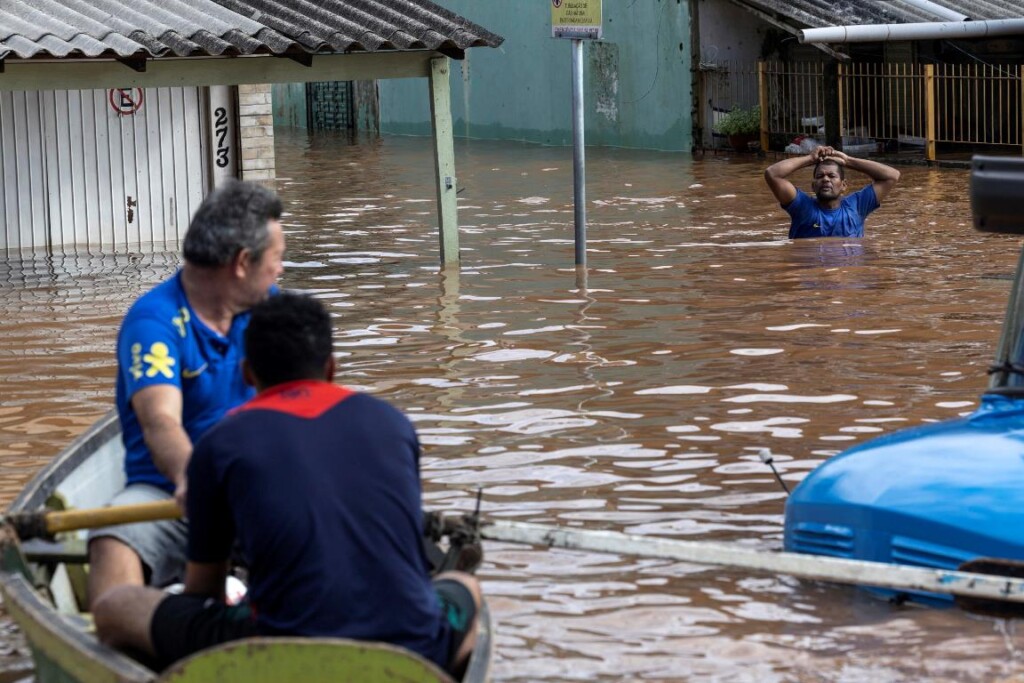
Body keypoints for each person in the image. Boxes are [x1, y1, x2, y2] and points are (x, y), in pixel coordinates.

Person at [93, 293, 482, 678]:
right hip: (413, 645)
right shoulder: (393, 424)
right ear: (331, 367)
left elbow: (203, 592)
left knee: (115, 606)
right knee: (465, 587)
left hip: (277, 645)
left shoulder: (221, 443)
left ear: (248, 374)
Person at [87, 180, 286, 607]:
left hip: (258, 487)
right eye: (276, 260)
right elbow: (161, 422)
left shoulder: (270, 308)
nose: (280, 271)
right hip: (170, 494)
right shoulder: (155, 321)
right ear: (242, 263)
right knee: (111, 543)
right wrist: (196, 481)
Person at [764, 146, 901, 239]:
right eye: (820, 176)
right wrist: (810, 159)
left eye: (832, 176)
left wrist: (848, 161)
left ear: (844, 185)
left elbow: (892, 175)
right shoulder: (802, 207)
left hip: (847, 278)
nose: (825, 179)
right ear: (813, 186)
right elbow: (772, 174)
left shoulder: (857, 206)